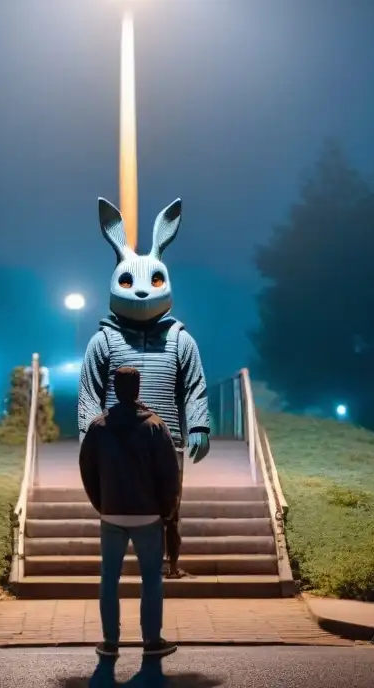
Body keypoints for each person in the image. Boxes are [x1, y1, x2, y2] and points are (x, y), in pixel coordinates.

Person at [78, 197, 212, 580]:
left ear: (166, 281)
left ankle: (170, 565)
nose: (140, 291)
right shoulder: (102, 342)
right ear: (114, 283)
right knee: (118, 501)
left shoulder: (180, 340)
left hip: (165, 438)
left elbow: (194, 385)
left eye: (153, 280)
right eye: (128, 280)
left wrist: (199, 425)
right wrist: (90, 430)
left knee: (170, 505)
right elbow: (89, 389)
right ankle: (118, 565)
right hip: (116, 437)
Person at [79, 366, 181, 660]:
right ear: (137, 389)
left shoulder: (99, 427)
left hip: (112, 513)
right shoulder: (154, 425)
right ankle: (151, 640)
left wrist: (101, 503)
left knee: (109, 577)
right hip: (147, 514)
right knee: (151, 578)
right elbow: (169, 474)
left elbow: (87, 468)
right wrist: (166, 509)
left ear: (115, 389)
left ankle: (110, 642)